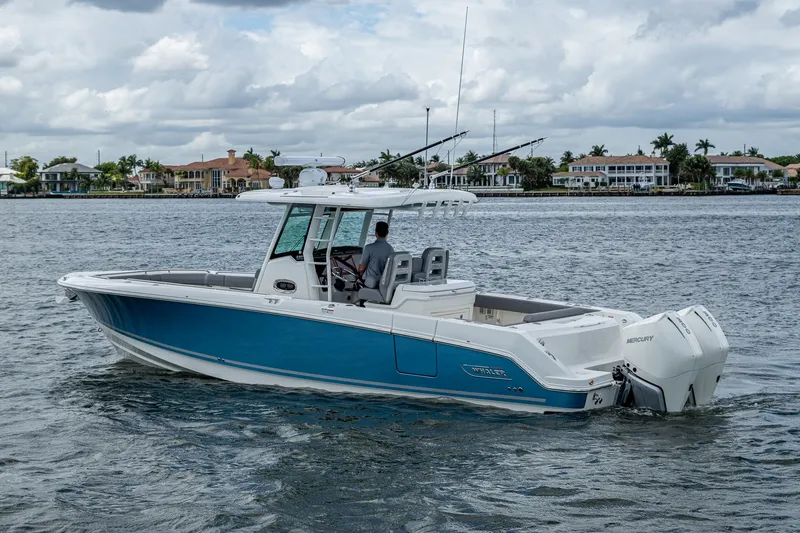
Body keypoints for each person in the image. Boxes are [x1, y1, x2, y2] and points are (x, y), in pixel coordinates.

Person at [359, 221, 393, 288]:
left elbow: (361, 268)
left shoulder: (368, 248)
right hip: (383, 283)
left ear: (376, 233)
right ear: (387, 233)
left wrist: (360, 273)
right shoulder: (391, 249)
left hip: (370, 283)